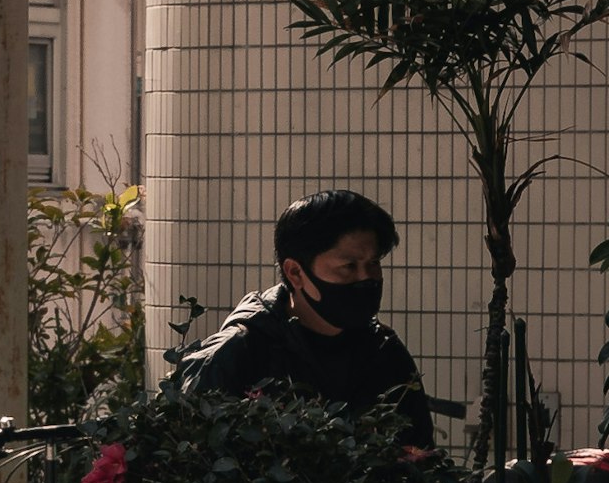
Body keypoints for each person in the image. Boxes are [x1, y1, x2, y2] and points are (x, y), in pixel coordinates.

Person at [178, 185, 438, 453]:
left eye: (373, 264)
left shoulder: (383, 351)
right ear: (295, 273)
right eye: (349, 267)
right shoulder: (236, 355)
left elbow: (421, 458)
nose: (366, 278)